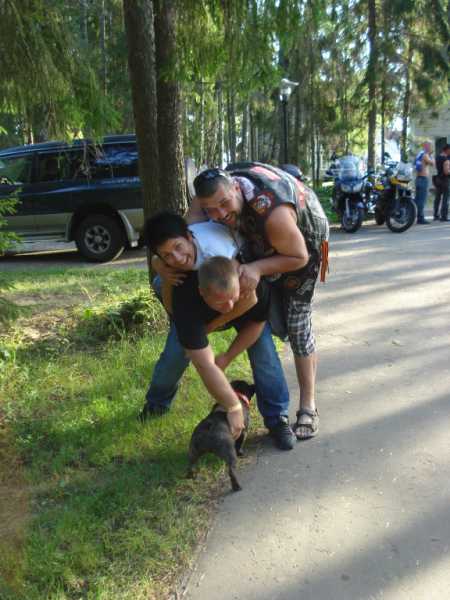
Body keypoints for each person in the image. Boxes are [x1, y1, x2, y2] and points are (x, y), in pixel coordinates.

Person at [190, 162, 329, 441]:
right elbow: (188, 231)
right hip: (261, 240)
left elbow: (298, 256)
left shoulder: (273, 214)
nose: (219, 214)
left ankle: (308, 406)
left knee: (297, 326)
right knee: (264, 313)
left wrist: (256, 268)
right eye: (210, 210)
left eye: (224, 204)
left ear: (235, 188)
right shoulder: (209, 194)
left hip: (303, 247)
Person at [140, 211, 296, 450]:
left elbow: (253, 316)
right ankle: (156, 404)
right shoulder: (183, 290)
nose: (177, 258)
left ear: (189, 236)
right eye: (167, 255)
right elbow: (204, 364)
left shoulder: (240, 274)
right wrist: (233, 406)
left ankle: (277, 419)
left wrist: (223, 348)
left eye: (179, 248)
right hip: (200, 303)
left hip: (238, 295)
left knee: (264, 352)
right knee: (175, 354)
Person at [414, 141, 435, 224]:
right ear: (427, 146)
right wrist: (431, 155)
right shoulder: (425, 155)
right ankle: (420, 218)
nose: (431, 148)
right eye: (430, 146)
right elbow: (432, 163)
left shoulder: (419, 154)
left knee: (417, 199)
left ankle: (413, 216)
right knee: (422, 200)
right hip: (423, 179)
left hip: (418, 178)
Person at [433, 144, 450, 222]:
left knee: (437, 198)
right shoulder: (445, 159)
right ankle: (444, 216)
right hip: (445, 180)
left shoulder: (437, 157)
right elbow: (446, 172)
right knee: (445, 199)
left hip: (437, 179)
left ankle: (435, 215)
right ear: (447, 150)